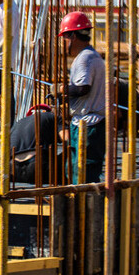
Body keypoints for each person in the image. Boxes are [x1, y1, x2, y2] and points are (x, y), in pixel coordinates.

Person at [55, 11, 106, 184]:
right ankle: (83, 207)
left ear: (73, 36)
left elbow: (83, 88)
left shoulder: (85, 58)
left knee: (84, 172)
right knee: (79, 170)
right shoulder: (92, 56)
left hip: (88, 125)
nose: (64, 43)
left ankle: (84, 208)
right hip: (89, 123)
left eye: (65, 37)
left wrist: (62, 90)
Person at [10, 105, 60, 185]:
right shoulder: (52, 117)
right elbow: (66, 138)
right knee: (70, 153)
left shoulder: (19, 122)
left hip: (12, 169)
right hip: (37, 167)